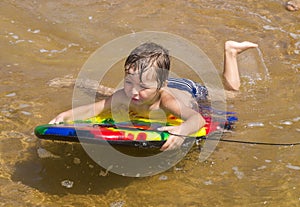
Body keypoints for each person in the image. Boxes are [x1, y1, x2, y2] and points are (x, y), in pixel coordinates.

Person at [49, 41, 258, 151]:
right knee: (111, 95)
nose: (133, 92)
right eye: (128, 81)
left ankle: (230, 51)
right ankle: (76, 82)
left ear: (160, 85)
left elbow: (198, 119)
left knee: (233, 95)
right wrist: (65, 115)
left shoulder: (168, 102)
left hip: (189, 90)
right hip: (157, 85)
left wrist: (183, 129)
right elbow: (94, 109)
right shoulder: (130, 91)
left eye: (142, 87)